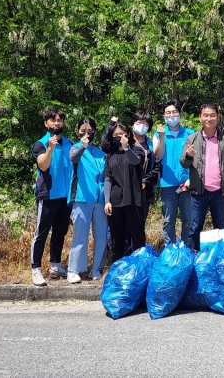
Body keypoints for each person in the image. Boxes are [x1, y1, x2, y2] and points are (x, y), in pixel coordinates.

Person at [180, 104, 224, 251]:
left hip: (220, 191)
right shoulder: (192, 139)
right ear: (200, 118)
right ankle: (193, 258)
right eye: (205, 115)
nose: (209, 118)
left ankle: (220, 258)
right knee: (195, 227)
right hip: (199, 191)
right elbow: (184, 163)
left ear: (218, 118)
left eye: (212, 115)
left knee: (220, 227)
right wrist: (188, 156)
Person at [30, 108, 73, 286]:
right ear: (46, 123)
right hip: (48, 195)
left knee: (60, 232)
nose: (57, 123)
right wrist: (50, 148)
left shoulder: (70, 143)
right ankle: (36, 269)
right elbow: (43, 166)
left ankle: (55, 265)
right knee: (41, 233)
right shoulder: (40, 144)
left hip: (66, 197)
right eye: (53, 120)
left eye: (59, 120)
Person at [66, 117, 108, 283]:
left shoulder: (100, 153)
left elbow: (105, 176)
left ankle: (96, 268)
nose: (87, 134)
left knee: (101, 236)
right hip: (82, 199)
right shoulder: (75, 148)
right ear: (78, 132)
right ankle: (74, 270)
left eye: (90, 131)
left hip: (100, 201)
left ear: (95, 132)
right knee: (80, 235)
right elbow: (73, 159)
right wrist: (82, 146)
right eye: (83, 131)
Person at [153, 99, 194, 246]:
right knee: (169, 220)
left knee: (188, 220)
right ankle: (170, 250)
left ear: (180, 114)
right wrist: (162, 136)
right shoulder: (158, 134)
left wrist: (192, 178)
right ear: (164, 116)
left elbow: (197, 159)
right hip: (168, 184)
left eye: (174, 112)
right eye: (168, 113)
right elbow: (157, 156)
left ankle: (186, 250)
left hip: (186, 184)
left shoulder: (190, 134)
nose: (171, 115)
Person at [103, 121, 145, 261]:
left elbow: (136, 161)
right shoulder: (111, 154)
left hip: (134, 199)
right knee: (117, 238)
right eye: (116, 134)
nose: (119, 136)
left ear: (128, 134)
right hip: (115, 200)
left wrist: (126, 148)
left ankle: (140, 268)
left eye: (122, 133)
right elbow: (107, 178)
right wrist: (107, 201)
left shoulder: (136, 149)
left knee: (137, 236)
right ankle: (117, 268)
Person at [130, 111, 159, 223]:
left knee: (139, 224)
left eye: (146, 124)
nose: (142, 126)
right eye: (139, 122)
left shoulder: (151, 145)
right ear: (132, 124)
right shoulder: (125, 143)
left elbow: (156, 166)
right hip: (126, 190)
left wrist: (146, 180)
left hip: (144, 190)